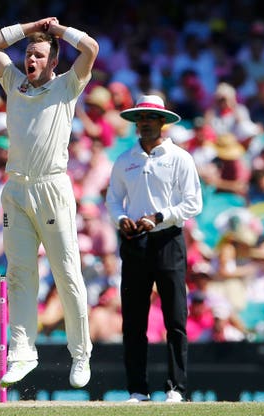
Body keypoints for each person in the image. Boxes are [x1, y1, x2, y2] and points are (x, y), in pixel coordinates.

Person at [0, 17, 99, 389]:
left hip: (52, 189)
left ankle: (81, 355)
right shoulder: (13, 82)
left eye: (39, 55)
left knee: (66, 274)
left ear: (53, 62)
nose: (31, 59)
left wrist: (58, 31)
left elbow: (91, 49)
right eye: (28, 54)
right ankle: (21, 354)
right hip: (16, 189)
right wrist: (31, 26)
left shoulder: (68, 85)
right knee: (18, 274)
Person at [105, 94, 203, 403]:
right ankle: (138, 389)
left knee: (175, 319)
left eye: (151, 117)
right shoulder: (125, 159)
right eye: (141, 118)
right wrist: (121, 219)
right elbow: (112, 198)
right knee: (134, 320)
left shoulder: (179, 158)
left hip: (168, 240)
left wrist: (159, 218)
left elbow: (193, 203)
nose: (145, 123)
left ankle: (176, 388)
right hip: (135, 242)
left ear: (162, 122)